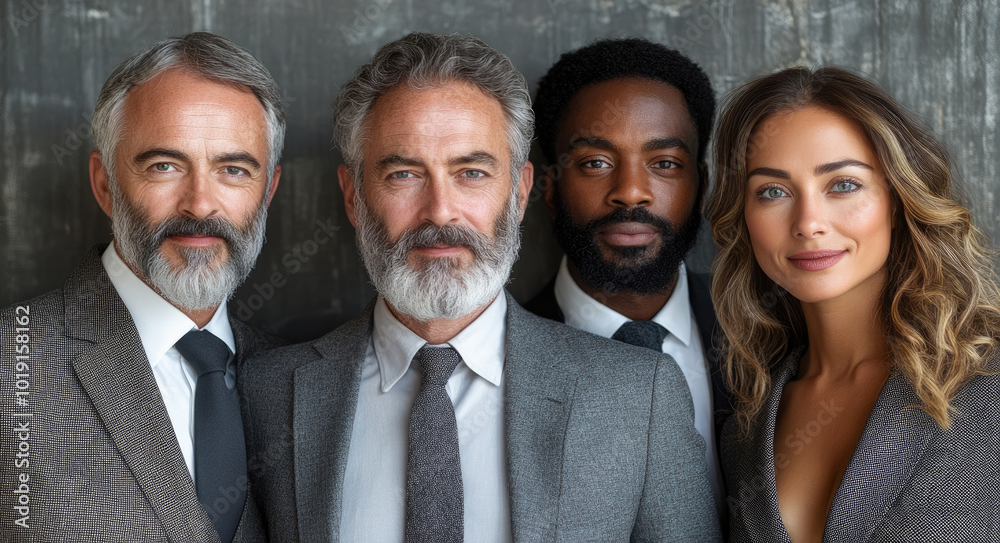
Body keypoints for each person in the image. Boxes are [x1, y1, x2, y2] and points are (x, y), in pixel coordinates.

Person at [241, 32, 721, 542]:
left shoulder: (638, 397)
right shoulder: (269, 394)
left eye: (471, 172)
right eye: (404, 174)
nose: (440, 211)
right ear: (354, 197)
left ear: (518, 193)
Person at [0, 32, 283, 542]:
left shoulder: (294, 376)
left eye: (233, 170)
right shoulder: (9, 364)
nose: (200, 204)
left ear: (268, 191)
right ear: (105, 182)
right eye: (164, 166)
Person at [706, 66, 1000, 542]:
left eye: (843, 184)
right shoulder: (745, 426)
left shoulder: (988, 386)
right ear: (742, 216)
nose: (809, 222)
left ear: (899, 198)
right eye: (773, 191)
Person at [525, 37, 728, 510]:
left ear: (701, 186)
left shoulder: (772, 339)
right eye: (595, 163)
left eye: (664, 164)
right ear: (550, 186)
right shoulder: (491, 361)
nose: (631, 192)